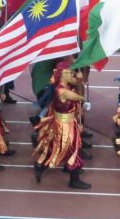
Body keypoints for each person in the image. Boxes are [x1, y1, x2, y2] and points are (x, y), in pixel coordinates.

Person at [33, 60, 90, 189]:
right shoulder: (62, 91)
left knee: (59, 148)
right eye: (69, 72)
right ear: (62, 74)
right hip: (64, 125)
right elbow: (81, 97)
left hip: (67, 122)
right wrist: (80, 81)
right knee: (71, 149)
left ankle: (40, 165)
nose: (72, 74)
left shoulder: (64, 86)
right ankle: (74, 180)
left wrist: (81, 76)